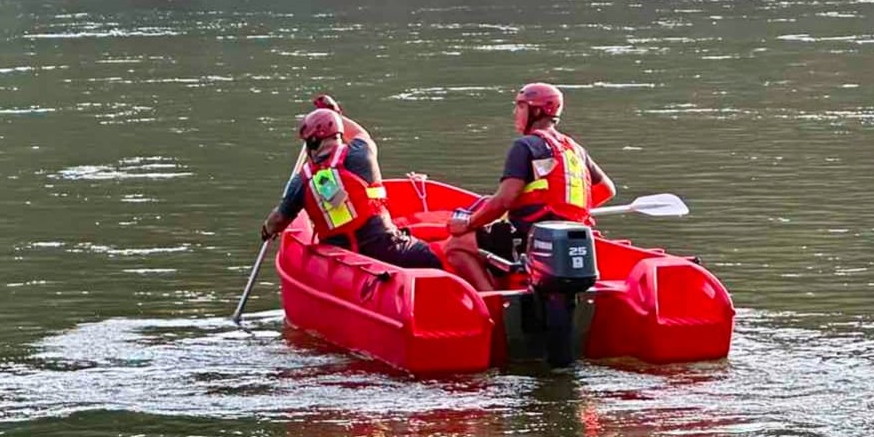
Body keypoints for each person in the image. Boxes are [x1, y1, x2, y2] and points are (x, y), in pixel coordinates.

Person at [443, 82, 615, 291]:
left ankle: (492, 304)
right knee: (494, 238)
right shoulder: (575, 149)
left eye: (520, 106)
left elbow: (503, 200)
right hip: (571, 233)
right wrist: (565, 212)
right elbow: (607, 190)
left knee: (456, 245)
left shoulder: (524, 146)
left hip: (527, 237)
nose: (516, 112)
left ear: (536, 111)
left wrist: (468, 223)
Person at [260, 98, 443, 270]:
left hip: (341, 259)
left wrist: (267, 230)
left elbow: (278, 220)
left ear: (312, 142)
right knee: (435, 259)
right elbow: (360, 134)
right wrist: (336, 115)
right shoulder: (361, 154)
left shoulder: (301, 182)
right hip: (386, 247)